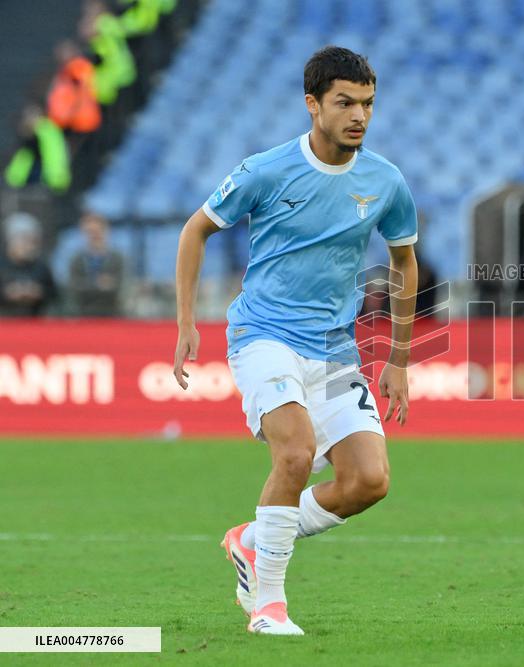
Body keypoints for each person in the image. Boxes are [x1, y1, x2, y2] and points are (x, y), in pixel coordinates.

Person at [173, 46, 418, 636]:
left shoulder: (385, 181)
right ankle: (269, 606)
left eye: (368, 104)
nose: (359, 116)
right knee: (295, 453)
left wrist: (400, 358)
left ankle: (253, 539)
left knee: (368, 481)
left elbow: (405, 262)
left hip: (334, 347)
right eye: (345, 103)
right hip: (264, 335)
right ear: (313, 104)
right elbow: (195, 230)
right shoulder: (266, 170)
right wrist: (186, 322)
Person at [0, 213, 57, 317]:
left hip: (35, 320)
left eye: (32, 241)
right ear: (11, 240)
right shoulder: (2, 266)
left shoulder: (41, 267)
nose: (27, 245)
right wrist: (7, 293)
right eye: (23, 239)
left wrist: (38, 292)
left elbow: (54, 294)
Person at [67, 213, 124, 316]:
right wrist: (97, 284)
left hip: (113, 315)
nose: (94, 236)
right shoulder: (77, 260)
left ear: (106, 232)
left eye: (98, 231)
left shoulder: (118, 259)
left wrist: (107, 286)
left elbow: (123, 287)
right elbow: (73, 288)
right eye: (90, 232)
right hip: (84, 315)